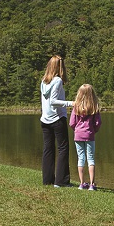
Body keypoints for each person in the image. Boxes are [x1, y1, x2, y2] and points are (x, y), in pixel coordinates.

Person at [40, 55, 73, 187]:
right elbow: (53, 101)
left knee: (48, 149)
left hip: (44, 120)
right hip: (57, 119)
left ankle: (47, 180)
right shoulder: (58, 80)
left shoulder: (44, 81)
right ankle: (61, 181)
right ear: (60, 67)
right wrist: (72, 103)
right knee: (63, 148)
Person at [69, 83, 102, 191]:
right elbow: (98, 123)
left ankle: (82, 183)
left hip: (78, 135)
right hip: (90, 135)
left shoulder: (76, 107)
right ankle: (92, 184)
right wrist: (93, 131)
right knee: (91, 159)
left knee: (81, 158)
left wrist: (77, 130)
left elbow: (72, 123)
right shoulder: (94, 107)